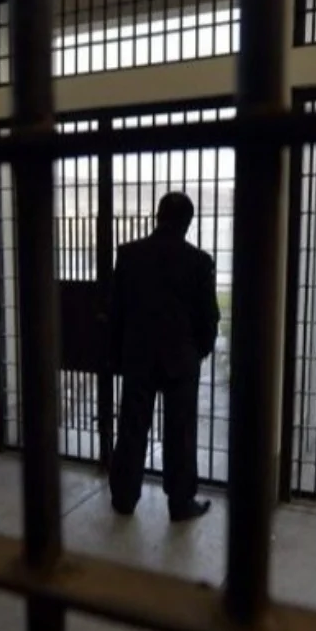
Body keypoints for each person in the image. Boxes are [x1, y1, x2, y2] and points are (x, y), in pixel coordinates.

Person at [108, 192, 220, 522]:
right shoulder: (199, 262)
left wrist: (119, 353)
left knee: (131, 428)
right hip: (181, 358)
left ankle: (124, 498)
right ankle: (180, 503)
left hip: (138, 356)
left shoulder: (129, 255)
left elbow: (116, 311)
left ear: (157, 216)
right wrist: (199, 351)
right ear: (188, 222)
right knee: (180, 433)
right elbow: (209, 317)